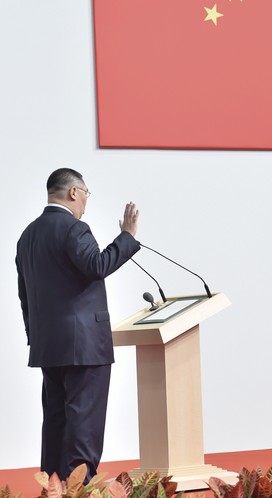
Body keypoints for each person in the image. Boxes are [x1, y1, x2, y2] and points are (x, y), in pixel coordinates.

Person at [16, 168, 141, 481]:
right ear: (73, 192)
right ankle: (80, 488)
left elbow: (24, 294)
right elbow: (96, 265)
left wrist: (36, 336)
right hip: (84, 346)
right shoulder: (75, 229)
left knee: (56, 422)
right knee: (84, 423)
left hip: (49, 346)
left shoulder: (28, 235)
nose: (86, 201)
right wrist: (126, 238)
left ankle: (54, 487)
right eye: (86, 193)